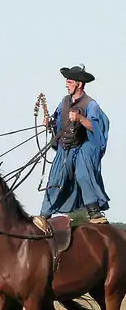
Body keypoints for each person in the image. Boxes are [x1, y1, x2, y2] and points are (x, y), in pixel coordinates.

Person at [39, 64, 110, 223]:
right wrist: (50, 121)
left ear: (79, 83)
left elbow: (97, 126)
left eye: (69, 82)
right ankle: (44, 215)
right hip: (65, 148)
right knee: (56, 178)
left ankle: (94, 212)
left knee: (83, 175)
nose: (66, 85)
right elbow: (58, 118)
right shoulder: (64, 101)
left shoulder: (90, 104)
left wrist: (81, 119)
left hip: (82, 148)